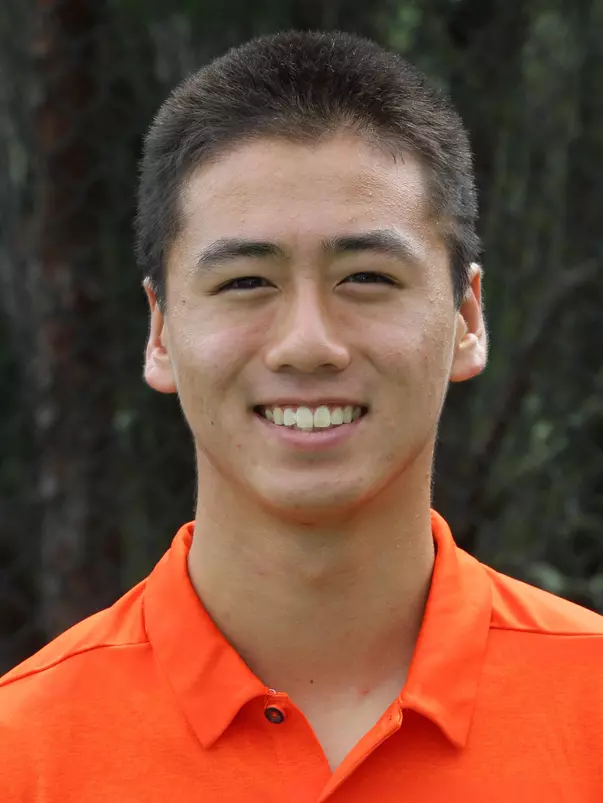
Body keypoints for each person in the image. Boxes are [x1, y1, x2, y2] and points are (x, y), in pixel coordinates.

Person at [1, 29, 602, 802]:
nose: (308, 344)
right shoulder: (24, 752)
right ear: (160, 333)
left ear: (465, 318)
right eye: (246, 282)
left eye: (365, 276)